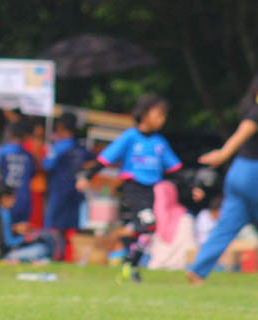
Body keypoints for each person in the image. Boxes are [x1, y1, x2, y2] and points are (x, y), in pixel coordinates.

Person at [188, 67, 258, 287]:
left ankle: (198, 271)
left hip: (239, 174)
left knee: (226, 226)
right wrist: (224, 153)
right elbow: (243, 131)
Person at [76, 94, 189, 283]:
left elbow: (175, 168)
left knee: (144, 230)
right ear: (144, 114)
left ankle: (130, 265)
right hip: (133, 189)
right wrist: (87, 175)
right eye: (158, 114)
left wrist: (191, 187)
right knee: (149, 226)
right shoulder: (130, 137)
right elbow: (106, 157)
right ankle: (129, 262)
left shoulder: (159, 142)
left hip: (150, 191)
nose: (162, 120)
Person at [0, 183, 61, 264]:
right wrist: (29, 237)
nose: (14, 201)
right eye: (12, 198)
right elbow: (8, 242)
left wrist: (15, 230)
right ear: (4, 198)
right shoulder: (2, 212)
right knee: (42, 249)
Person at [42, 112, 88, 261]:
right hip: (75, 193)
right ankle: (69, 257)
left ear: (60, 126)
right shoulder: (81, 149)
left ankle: (54, 255)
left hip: (58, 192)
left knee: (55, 227)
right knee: (70, 229)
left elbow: (46, 165)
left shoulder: (58, 147)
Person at [0, 118, 36, 225]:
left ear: (10, 134)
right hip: (24, 199)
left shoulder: (2, 152)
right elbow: (32, 173)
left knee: (4, 230)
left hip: (6, 198)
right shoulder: (29, 155)